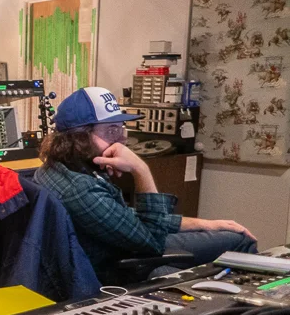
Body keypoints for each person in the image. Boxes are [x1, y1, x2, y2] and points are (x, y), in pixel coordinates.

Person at [34, 87, 257, 283]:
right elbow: (152, 241)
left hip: (122, 250)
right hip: (116, 266)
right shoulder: (80, 189)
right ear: (79, 138)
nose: (122, 139)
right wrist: (141, 169)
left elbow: (125, 218)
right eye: (111, 130)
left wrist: (205, 224)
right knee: (239, 242)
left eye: (121, 128)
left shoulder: (63, 168)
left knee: (227, 235)